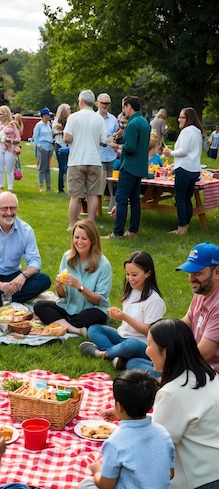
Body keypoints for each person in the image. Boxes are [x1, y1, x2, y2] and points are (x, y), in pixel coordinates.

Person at [72, 369, 175, 489]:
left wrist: (96, 469)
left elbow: (106, 486)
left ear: (119, 406)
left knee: (85, 486)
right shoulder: (163, 433)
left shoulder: (116, 441)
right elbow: (170, 474)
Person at [146, 319, 219, 489]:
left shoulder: (172, 393)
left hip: (204, 479)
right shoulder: (209, 374)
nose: (146, 351)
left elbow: (156, 444)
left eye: (149, 345)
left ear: (166, 351)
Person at [80, 251, 165, 373]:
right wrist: (116, 314)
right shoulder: (132, 290)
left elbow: (149, 331)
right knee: (94, 329)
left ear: (148, 273)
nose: (130, 279)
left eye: (134, 275)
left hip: (140, 343)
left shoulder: (154, 300)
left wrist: (124, 317)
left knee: (131, 345)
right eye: (127, 274)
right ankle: (117, 356)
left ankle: (102, 353)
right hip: (121, 336)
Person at [0, 191, 51, 310]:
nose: (9, 213)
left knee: (44, 280)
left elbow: (35, 261)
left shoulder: (26, 230)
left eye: (13, 208)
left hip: (15, 276)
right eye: (4, 208)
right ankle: (12, 301)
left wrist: (23, 276)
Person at [34, 220, 112, 335]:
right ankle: (74, 329)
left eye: (84, 239)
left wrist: (79, 286)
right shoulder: (67, 257)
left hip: (91, 310)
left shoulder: (103, 264)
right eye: (76, 237)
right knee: (39, 306)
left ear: (92, 240)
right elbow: (62, 297)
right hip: (69, 308)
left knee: (97, 315)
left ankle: (59, 323)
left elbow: (99, 301)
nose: (79, 242)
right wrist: (59, 289)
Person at [103, 96, 150, 239]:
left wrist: (116, 146)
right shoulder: (144, 122)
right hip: (140, 167)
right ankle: (133, 231)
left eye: (124, 107)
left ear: (129, 106)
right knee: (135, 200)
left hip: (129, 167)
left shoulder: (132, 123)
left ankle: (117, 233)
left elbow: (130, 147)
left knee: (121, 200)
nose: (123, 110)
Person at [64, 89, 107, 227]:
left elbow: (67, 138)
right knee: (93, 195)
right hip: (94, 160)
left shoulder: (73, 117)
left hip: (76, 160)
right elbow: (104, 141)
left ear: (81, 101)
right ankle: (91, 223)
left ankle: (72, 224)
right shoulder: (99, 119)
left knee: (75, 196)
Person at [176, 242, 219, 372]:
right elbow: (186, 322)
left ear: (217, 272)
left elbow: (205, 352)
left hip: (210, 371)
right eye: (190, 272)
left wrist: (173, 367)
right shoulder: (202, 291)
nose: (190, 279)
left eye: (197, 273)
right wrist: (162, 336)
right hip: (197, 362)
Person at [162, 107, 202, 235]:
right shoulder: (197, 131)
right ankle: (185, 227)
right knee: (187, 198)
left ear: (188, 118)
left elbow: (183, 151)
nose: (179, 119)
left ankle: (181, 229)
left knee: (180, 198)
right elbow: (191, 152)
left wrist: (170, 152)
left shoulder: (186, 131)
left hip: (184, 170)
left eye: (182, 117)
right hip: (194, 170)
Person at [96, 93, 119, 210]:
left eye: (107, 103)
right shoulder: (93, 118)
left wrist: (116, 137)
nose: (105, 105)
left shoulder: (113, 119)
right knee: (97, 186)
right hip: (98, 156)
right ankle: (95, 211)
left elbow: (117, 135)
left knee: (113, 185)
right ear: (97, 104)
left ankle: (112, 210)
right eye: (103, 103)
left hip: (111, 156)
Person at [0, 105, 21, 192]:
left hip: (10, 148)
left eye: (0, 114)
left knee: (9, 169)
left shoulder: (12, 124)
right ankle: (1, 187)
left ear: (6, 114)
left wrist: (9, 140)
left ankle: (10, 188)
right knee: (0, 168)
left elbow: (18, 139)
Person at [33, 107, 54, 192]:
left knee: (48, 167)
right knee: (42, 167)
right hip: (42, 146)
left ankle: (48, 186)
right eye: (48, 115)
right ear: (44, 116)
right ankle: (41, 185)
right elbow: (35, 136)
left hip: (49, 146)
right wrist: (38, 145)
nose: (49, 117)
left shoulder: (49, 124)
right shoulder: (39, 125)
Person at [52, 103, 71, 194]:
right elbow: (55, 131)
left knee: (68, 167)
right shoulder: (57, 121)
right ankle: (60, 188)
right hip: (59, 145)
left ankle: (68, 187)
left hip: (67, 146)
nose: (70, 111)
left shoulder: (70, 120)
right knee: (62, 167)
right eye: (68, 110)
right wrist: (63, 131)